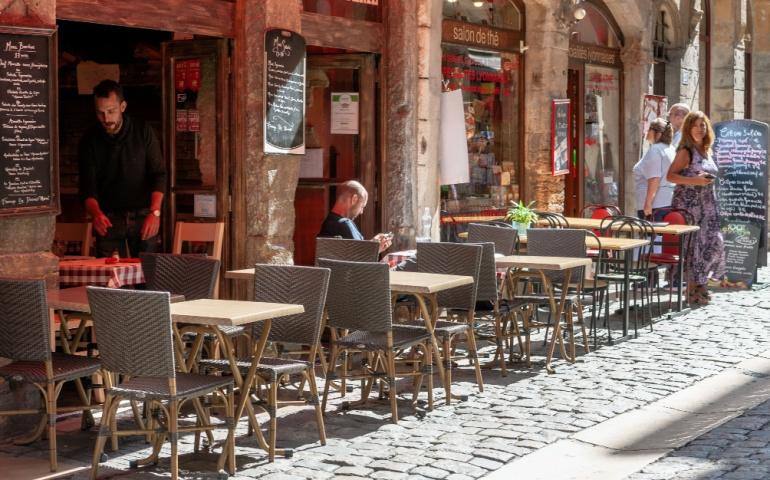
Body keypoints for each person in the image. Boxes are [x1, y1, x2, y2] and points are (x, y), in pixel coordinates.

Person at [78, 80, 166, 258]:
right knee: (108, 280)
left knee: (147, 278)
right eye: (100, 113)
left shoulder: (143, 131)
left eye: (111, 111)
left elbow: (159, 174)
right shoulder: (89, 139)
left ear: (123, 106)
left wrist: (155, 213)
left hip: (143, 215)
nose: (106, 118)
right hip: (108, 218)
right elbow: (87, 188)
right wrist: (96, 215)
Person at [666, 111, 725, 305]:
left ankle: (700, 285)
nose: (700, 129)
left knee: (715, 243)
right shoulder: (686, 150)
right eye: (696, 126)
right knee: (694, 249)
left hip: (708, 205)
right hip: (690, 206)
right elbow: (671, 176)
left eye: (703, 125)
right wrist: (695, 180)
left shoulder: (707, 149)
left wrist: (705, 180)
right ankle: (694, 290)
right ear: (688, 129)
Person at [318, 180, 392, 253]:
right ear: (354, 199)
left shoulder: (327, 224)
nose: (361, 212)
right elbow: (359, 261)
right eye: (362, 206)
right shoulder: (345, 224)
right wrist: (375, 249)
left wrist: (373, 244)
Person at [632, 118, 676, 220]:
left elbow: (654, 178)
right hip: (667, 202)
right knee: (661, 236)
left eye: (650, 129)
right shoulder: (671, 149)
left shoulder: (655, 150)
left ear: (658, 133)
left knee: (651, 236)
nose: (647, 131)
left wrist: (648, 203)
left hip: (655, 206)